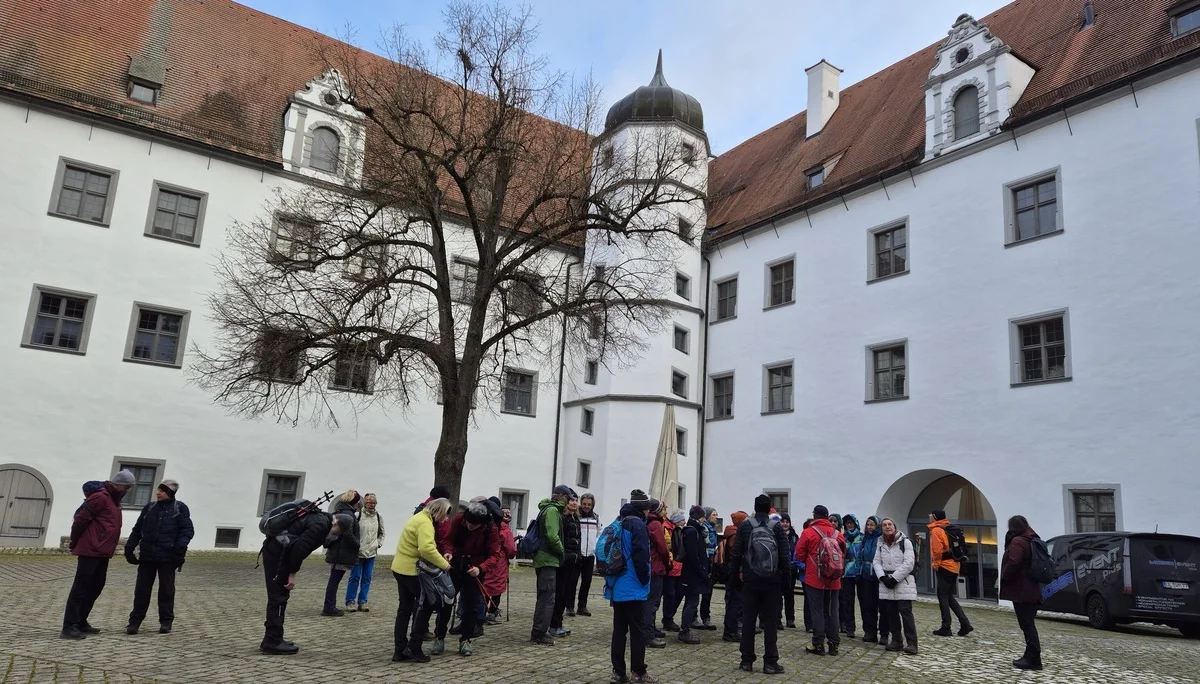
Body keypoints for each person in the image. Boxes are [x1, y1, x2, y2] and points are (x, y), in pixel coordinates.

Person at [62, 470, 136, 640]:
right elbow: (80, 521)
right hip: (91, 550)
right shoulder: (100, 497)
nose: (128, 490)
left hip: (103, 551)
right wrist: (75, 542)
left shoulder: (114, 500)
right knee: (80, 588)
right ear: (119, 484)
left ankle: (81, 621)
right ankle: (69, 626)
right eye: (127, 487)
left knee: (96, 586)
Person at [260, 501, 336, 654]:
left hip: (274, 550)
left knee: (277, 597)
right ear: (337, 525)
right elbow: (300, 550)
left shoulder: (317, 517)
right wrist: (292, 573)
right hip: (279, 556)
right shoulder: (320, 526)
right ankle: (272, 641)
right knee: (279, 598)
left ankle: (273, 637)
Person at [123, 479, 194, 635]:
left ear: (169, 493)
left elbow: (187, 531)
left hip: (168, 557)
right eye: (157, 490)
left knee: (166, 591)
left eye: (161, 491)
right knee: (141, 590)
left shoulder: (179, 508)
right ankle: (134, 622)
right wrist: (129, 547)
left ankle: (166, 621)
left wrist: (180, 548)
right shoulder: (150, 508)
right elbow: (137, 529)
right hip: (147, 556)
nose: (157, 493)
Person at [729, 494, 788, 674]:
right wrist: (786, 585)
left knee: (748, 620)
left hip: (751, 579)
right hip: (772, 581)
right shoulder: (776, 527)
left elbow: (736, 554)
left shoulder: (746, 526)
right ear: (769, 507)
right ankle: (770, 662)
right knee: (770, 623)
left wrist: (733, 580)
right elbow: (785, 558)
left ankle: (746, 661)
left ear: (755, 507)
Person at [607, 489, 659, 684]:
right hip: (633, 585)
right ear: (644, 509)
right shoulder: (637, 524)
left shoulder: (620, 520)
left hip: (618, 583)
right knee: (638, 630)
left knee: (619, 630)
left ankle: (618, 672)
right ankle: (639, 671)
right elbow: (640, 555)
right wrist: (646, 579)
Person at [436, 501, 501, 656]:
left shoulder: (490, 529)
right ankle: (439, 638)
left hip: (476, 568)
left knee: (472, 605)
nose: (470, 526)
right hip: (455, 564)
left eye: (474, 525)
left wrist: (481, 568)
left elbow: (495, 555)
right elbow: (448, 540)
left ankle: (466, 639)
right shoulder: (459, 519)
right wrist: (448, 552)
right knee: (446, 601)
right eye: (468, 523)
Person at [391, 498, 452, 663]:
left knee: (404, 608)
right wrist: (444, 564)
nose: (445, 519)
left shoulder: (417, 517)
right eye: (445, 515)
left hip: (399, 568)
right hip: (412, 571)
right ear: (439, 511)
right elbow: (426, 548)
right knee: (426, 605)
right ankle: (414, 647)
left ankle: (400, 649)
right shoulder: (425, 523)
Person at [796, 504, 846, 656]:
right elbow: (843, 553)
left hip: (815, 578)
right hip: (834, 579)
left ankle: (818, 644)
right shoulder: (837, 533)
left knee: (817, 611)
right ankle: (833, 645)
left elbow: (799, 555)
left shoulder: (808, 532)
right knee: (832, 611)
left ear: (814, 516)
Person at [1001, 515, 1043, 670]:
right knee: (1028, 624)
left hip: (1021, 590)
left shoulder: (1018, 542)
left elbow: (1014, 562)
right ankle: (1030, 655)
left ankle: (1034, 659)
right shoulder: (1031, 538)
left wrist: (1005, 576)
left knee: (1027, 625)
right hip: (1031, 589)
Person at [531, 484, 570, 645]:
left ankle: (540, 630)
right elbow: (552, 536)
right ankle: (540, 632)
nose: (568, 502)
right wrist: (562, 551)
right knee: (547, 598)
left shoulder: (547, 508)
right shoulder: (553, 511)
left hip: (544, 558)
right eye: (567, 498)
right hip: (548, 558)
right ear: (561, 496)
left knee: (544, 596)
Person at [873, 517, 918, 655]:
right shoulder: (880, 543)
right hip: (886, 582)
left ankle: (912, 643)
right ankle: (897, 640)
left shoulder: (905, 542)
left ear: (895, 526)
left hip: (902, 582)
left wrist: (894, 578)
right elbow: (876, 561)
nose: (887, 527)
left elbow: (909, 563)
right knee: (891, 613)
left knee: (906, 612)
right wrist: (882, 576)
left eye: (890, 524)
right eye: (884, 525)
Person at [928, 509, 974, 637]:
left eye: (930, 515)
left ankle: (946, 627)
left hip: (944, 566)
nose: (929, 517)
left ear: (935, 517)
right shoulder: (949, 528)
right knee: (948, 596)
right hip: (954, 565)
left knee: (942, 596)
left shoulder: (937, 530)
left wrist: (935, 565)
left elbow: (937, 551)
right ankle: (965, 624)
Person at [321, 490, 362, 617]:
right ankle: (329, 607)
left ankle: (330, 605)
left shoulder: (338, 512)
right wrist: (358, 544)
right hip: (342, 553)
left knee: (333, 580)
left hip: (336, 551)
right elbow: (348, 534)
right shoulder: (348, 515)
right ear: (354, 502)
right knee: (334, 580)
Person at [676, 505, 710, 645]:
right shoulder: (691, 531)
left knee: (691, 601)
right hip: (692, 573)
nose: (704, 519)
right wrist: (701, 571)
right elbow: (693, 555)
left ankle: (685, 628)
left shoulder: (692, 530)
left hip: (691, 572)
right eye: (702, 517)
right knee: (692, 601)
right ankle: (684, 630)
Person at [346, 492, 384, 612]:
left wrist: (378, 544)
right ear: (364, 503)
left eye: (373, 502)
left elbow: (382, 533)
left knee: (367, 577)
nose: (371, 505)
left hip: (371, 552)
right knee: (355, 577)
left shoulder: (378, 516)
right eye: (369, 502)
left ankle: (363, 601)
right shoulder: (357, 515)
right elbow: (351, 532)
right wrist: (355, 545)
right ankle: (350, 601)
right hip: (358, 552)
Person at [550, 494, 581, 637]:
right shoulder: (562, 518)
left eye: (576, 500)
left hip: (573, 561)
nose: (574, 503)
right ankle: (554, 624)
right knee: (560, 594)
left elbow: (577, 539)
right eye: (571, 501)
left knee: (567, 593)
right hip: (564, 561)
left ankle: (559, 622)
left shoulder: (575, 519)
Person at [483, 499, 517, 624]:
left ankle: (481, 612)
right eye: (505, 512)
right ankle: (491, 613)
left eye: (509, 512)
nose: (507, 514)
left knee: (485, 587)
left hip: (488, 561)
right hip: (499, 563)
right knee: (496, 589)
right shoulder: (505, 530)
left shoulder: (490, 526)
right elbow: (511, 550)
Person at [643, 499, 671, 648]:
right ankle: (648, 635)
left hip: (651, 566)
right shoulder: (655, 524)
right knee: (652, 602)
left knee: (651, 601)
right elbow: (662, 547)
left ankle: (650, 628)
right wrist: (668, 562)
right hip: (655, 567)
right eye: (664, 509)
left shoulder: (649, 522)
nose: (666, 512)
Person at [719, 510, 748, 643]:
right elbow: (737, 554)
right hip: (735, 573)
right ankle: (731, 631)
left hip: (731, 571)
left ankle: (731, 630)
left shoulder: (730, 533)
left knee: (733, 601)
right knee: (735, 603)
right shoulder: (736, 535)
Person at [692, 507, 719, 631]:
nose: (716, 516)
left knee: (708, 592)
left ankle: (705, 616)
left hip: (711, 561)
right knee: (700, 591)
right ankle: (695, 617)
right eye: (714, 514)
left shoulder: (712, 528)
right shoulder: (704, 528)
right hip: (705, 562)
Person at [859, 516, 884, 644]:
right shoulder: (865, 539)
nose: (869, 527)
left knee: (883, 607)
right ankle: (870, 632)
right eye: (868, 524)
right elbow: (861, 555)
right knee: (868, 605)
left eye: (872, 525)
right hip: (866, 575)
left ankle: (884, 633)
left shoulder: (881, 539)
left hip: (880, 576)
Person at [660, 508, 686, 633]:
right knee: (669, 594)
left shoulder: (675, 529)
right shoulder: (667, 528)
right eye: (682, 520)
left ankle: (668, 618)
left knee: (674, 594)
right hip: (670, 566)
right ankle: (667, 619)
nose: (684, 523)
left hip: (676, 566)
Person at [576, 493, 601, 617]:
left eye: (589, 504)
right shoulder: (576, 516)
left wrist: (594, 549)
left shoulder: (596, 517)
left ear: (592, 505)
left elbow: (599, 535)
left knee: (587, 581)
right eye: (584, 504)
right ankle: (569, 606)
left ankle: (582, 606)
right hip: (577, 554)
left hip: (590, 555)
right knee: (572, 581)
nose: (586, 506)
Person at [839, 514, 863, 637]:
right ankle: (849, 627)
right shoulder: (843, 537)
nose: (849, 525)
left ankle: (867, 629)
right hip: (847, 573)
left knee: (864, 601)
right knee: (847, 601)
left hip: (860, 572)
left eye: (851, 522)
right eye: (847, 523)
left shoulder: (862, 537)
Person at [779, 514, 800, 629]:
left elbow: (797, 551)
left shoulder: (794, 537)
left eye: (787, 522)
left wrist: (793, 563)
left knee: (789, 595)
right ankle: (777, 618)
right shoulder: (776, 534)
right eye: (783, 521)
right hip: (779, 570)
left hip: (791, 570)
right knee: (777, 595)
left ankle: (790, 619)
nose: (785, 524)